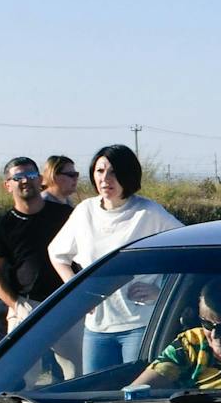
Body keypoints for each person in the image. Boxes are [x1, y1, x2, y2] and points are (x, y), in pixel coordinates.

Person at [47, 143, 184, 373]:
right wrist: (76, 287)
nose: (105, 179)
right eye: (100, 171)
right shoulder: (84, 211)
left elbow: (188, 253)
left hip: (140, 324)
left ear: (128, 175)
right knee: (94, 396)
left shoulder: (148, 213)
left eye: (113, 172)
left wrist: (162, 292)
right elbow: (57, 254)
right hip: (96, 327)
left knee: (133, 396)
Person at [0, 156, 72, 333]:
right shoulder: (3, 225)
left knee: (81, 361)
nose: (25, 181)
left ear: (40, 180)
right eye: (17, 177)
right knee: (20, 361)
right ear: (8, 186)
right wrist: (16, 305)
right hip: (27, 305)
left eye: (31, 175)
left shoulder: (66, 215)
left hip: (67, 302)